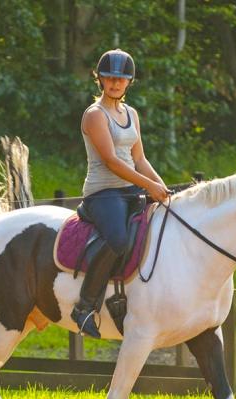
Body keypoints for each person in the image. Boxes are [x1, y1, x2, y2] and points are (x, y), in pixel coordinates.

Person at [71, 49, 170, 339]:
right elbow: (112, 161)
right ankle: (85, 305)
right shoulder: (94, 115)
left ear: (129, 82)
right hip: (103, 193)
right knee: (118, 240)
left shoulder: (132, 114)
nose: (115, 83)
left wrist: (161, 187)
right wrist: (148, 186)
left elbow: (139, 158)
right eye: (110, 78)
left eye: (121, 79)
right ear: (100, 79)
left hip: (131, 188)